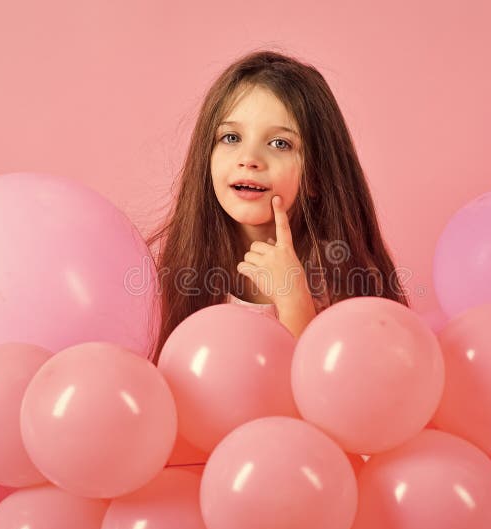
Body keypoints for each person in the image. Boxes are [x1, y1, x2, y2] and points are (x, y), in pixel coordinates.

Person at [144, 49, 409, 365]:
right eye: (231, 137)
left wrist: (294, 300)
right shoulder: (181, 267)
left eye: (280, 143)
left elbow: (324, 396)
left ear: (315, 176)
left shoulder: (340, 277)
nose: (249, 158)